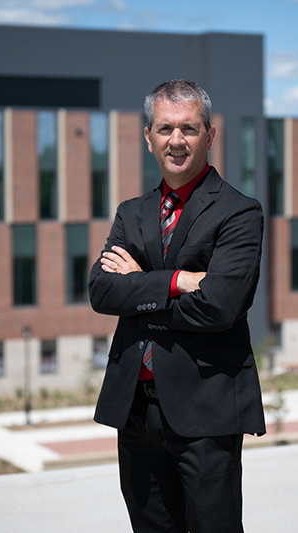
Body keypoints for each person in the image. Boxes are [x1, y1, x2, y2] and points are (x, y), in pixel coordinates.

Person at [88, 79, 266, 533]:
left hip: (205, 412)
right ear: (148, 138)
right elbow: (102, 292)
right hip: (135, 412)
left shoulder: (239, 213)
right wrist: (178, 281)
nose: (177, 141)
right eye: (165, 129)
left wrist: (140, 288)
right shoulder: (132, 212)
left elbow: (219, 307)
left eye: (189, 128)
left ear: (210, 135)